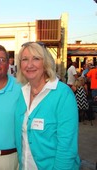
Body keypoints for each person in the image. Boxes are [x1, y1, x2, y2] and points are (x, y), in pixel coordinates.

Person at [15, 41, 80, 169]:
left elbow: (66, 148)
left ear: (45, 63)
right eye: (25, 59)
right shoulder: (22, 93)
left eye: (36, 59)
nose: (29, 64)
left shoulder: (63, 94)